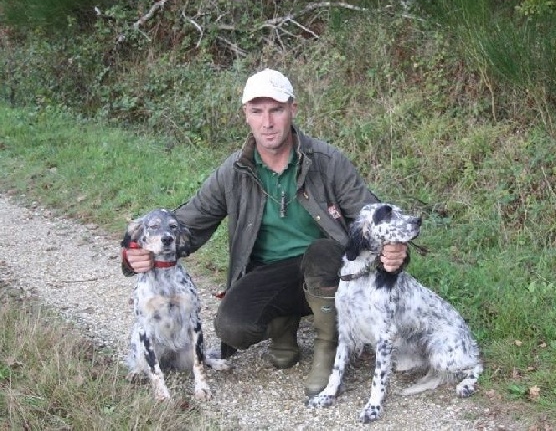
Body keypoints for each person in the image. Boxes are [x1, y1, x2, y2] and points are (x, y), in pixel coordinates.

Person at [121, 68, 408, 397]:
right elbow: (189, 219)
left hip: (327, 267)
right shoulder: (234, 171)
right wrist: (134, 249)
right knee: (232, 326)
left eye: (276, 110)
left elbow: (370, 212)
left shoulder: (328, 161)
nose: (267, 122)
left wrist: (394, 247)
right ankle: (281, 326)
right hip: (271, 273)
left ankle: (327, 349)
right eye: (257, 111)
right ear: (246, 115)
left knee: (321, 251)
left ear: (293, 111)